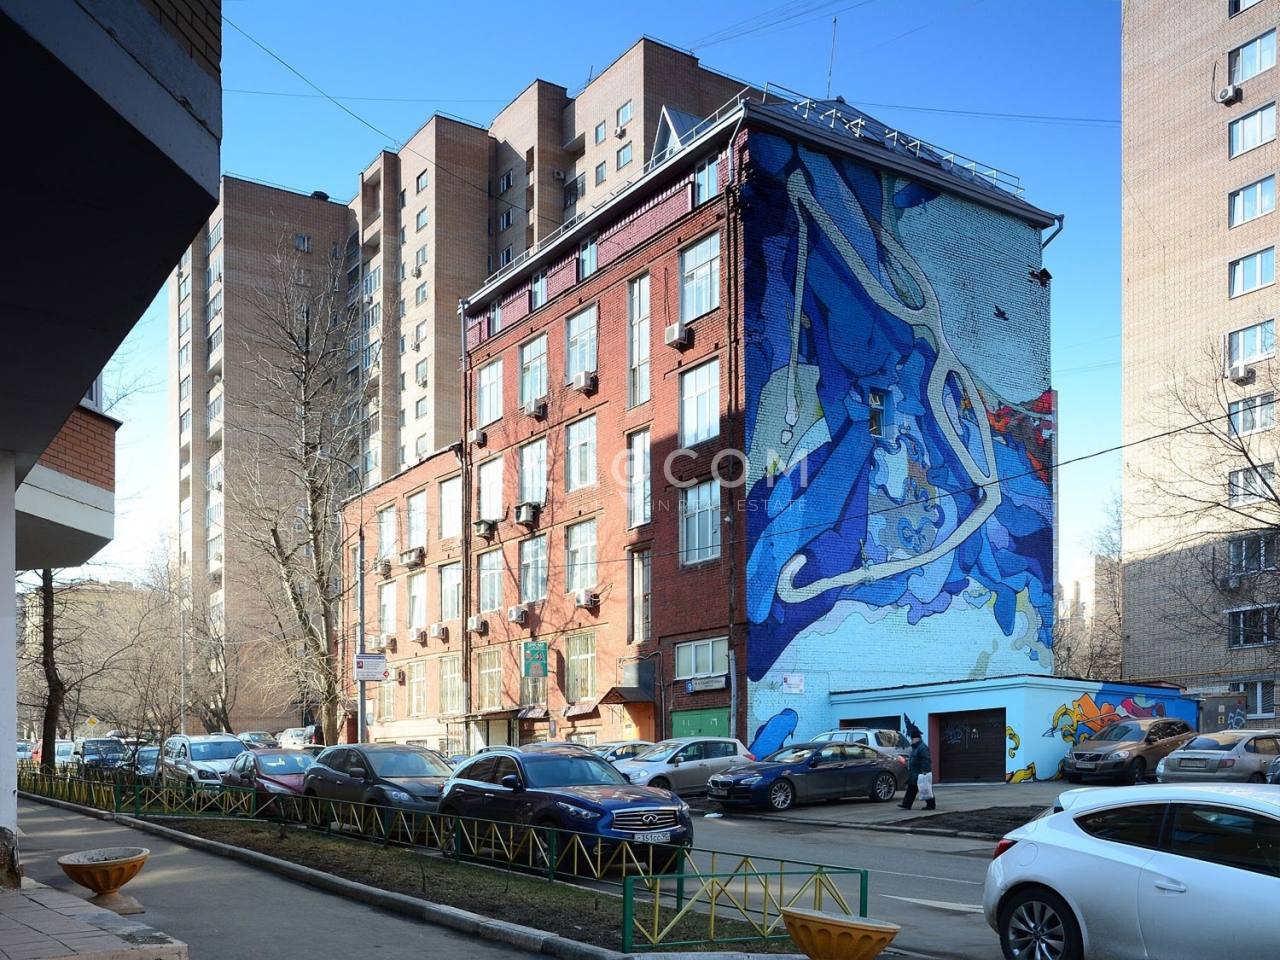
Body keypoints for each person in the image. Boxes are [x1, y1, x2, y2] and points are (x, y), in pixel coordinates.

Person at [900, 726, 935, 811]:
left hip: (920, 772)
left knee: (925, 788)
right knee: (911, 788)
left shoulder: (922, 748)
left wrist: (925, 771)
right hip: (914, 772)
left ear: (917, 739)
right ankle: (906, 804)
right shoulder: (915, 747)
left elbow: (926, 760)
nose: (911, 740)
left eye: (912, 739)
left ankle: (931, 805)